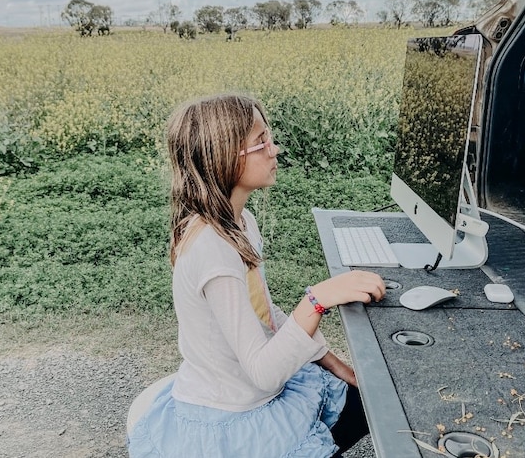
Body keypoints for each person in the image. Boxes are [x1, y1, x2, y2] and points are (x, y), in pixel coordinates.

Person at [128, 93, 385, 457]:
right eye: (260, 141)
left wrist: (340, 368)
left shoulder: (239, 223)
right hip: (233, 417)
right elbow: (262, 373)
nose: (274, 149)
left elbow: (264, 313)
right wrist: (317, 301)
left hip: (258, 392)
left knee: (366, 402)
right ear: (226, 157)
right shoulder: (211, 249)